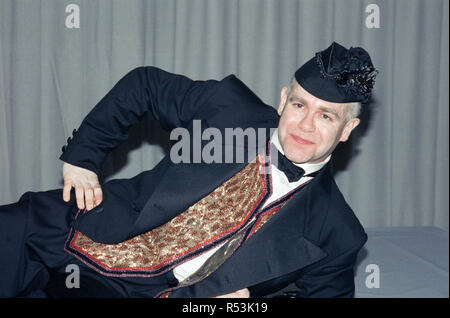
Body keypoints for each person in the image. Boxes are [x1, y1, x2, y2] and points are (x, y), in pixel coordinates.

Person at [0, 41, 378, 298]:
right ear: (283, 100)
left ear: (347, 129)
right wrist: (84, 156)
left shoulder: (339, 233)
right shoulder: (231, 112)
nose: (305, 125)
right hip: (94, 238)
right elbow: (144, 85)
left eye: (326, 115)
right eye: (299, 105)